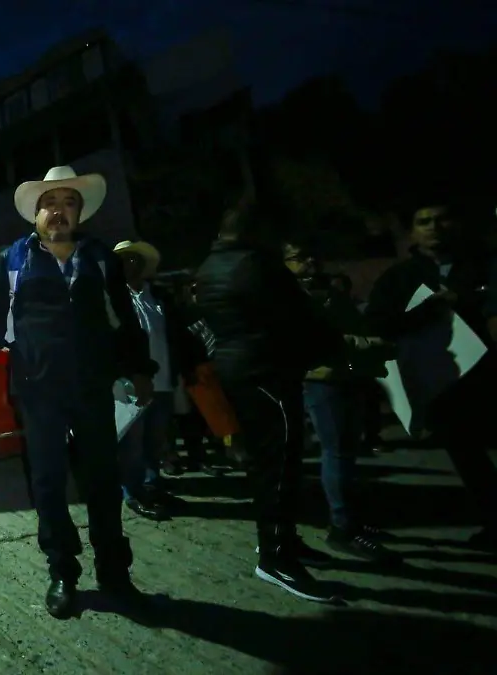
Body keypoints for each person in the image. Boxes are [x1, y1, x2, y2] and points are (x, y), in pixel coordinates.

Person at [0, 166, 156, 619]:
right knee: (49, 483)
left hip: (93, 387)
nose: (59, 211)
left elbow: (123, 320)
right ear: (36, 213)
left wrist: (139, 368)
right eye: (50, 204)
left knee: (102, 480)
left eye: (69, 203)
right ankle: (62, 571)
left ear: (78, 213)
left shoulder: (99, 258)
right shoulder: (12, 259)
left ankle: (114, 572)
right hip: (37, 390)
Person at [194, 203, 346, 602]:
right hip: (267, 370)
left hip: (241, 369)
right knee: (279, 466)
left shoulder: (210, 266)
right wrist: (332, 348)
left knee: (270, 463)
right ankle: (277, 556)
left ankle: (283, 543)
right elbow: (297, 317)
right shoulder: (256, 265)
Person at [365, 200, 497, 552]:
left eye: (442, 219)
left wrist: (465, 301)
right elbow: (378, 322)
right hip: (443, 385)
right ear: (413, 231)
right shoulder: (401, 276)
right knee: (469, 458)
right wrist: (421, 313)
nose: (434, 228)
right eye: (425, 221)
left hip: (488, 378)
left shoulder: (483, 267)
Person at [281, 238, 401, 564]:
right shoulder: (291, 297)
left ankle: (350, 521)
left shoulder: (325, 290)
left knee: (347, 453)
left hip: (346, 376)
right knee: (336, 452)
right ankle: (342, 527)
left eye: (312, 255)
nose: (309, 262)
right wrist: (367, 343)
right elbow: (314, 339)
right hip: (323, 381)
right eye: (299, 256)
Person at [112, 240, 206, 521]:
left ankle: (153, 486)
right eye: (125, 260)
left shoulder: (159, 297)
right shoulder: (114, 298)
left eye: (135, 260)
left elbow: (175, 334)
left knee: (156, 439)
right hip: (131, 383)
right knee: (132, 442)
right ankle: (132, 492)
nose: (131, 265)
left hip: (163, 380)